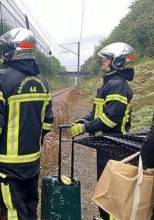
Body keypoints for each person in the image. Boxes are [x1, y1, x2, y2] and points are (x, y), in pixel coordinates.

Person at [0, 28, 54, 220]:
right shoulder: (42, 81)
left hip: (8, 163)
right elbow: (47, 122)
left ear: (13, 50)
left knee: (12, 210)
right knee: (29, 207)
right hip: (32, 160)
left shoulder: (0, 79)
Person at [70, 42, 137, 220]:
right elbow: (96, 113)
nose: (103, 61)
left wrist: (85, 128)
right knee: (105, 185)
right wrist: (84, 119)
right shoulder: (110, 83)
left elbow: (110, 119)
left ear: (117, 62)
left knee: (111, 190)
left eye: (106, 58)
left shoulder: (118, 85)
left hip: (114, 144)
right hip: (106, 143)